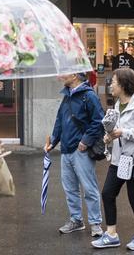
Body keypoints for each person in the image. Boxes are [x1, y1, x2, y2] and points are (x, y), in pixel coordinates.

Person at [91, 68, 134, 251]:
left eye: (114, 82)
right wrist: (110, 137)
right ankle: (111, 234)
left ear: (124, 85)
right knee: (108, 193)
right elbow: (116, 130)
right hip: (118, 160)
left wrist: (123, 132)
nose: (110, 85)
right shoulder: (118, 105)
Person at [45, 72, 105, 237]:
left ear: (75, 76)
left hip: (81, 150)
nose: (61, 76)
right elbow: (60, 121)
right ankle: (76, 220)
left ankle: (95, 223)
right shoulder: (67, 96)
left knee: (89, 188)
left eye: (65, 73)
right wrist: (53, 142)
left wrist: (85, 141)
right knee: (70, 188)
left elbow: (99, 120)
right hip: (66, 149)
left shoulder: (88, 96)